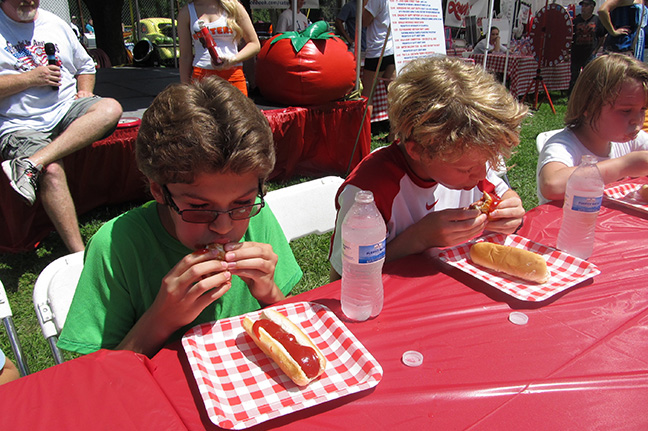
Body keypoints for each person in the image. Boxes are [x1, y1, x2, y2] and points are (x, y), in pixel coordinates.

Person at [58, 77, 303, 358]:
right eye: (199, 207)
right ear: (158, 190)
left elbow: (292, 334)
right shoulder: (116, 246)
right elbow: (102, 383)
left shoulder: (257, 217)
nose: (224, 226)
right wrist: (163, 317)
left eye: (242, 203)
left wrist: (269, 293)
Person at [328, 56, 528, 280]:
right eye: (467, 169)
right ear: (417, 150)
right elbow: (341, 279)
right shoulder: (369, 191)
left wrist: (510, 209)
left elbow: (503, 194)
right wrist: (419, 238)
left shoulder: (469, 164)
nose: (481, 174)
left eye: (485, 163)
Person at [0, 0, 123, 253]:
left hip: (66, 109)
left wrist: (85, 91)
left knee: (110, 108)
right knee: (52, 170)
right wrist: (29, 79)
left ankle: (31, 164)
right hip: (21, 123)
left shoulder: (55, 23)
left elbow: (85, 66)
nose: (28, 2)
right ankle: (79, 255)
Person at [537, 53, 648, 204]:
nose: (637, 120)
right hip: (568, 224)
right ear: (589, 106)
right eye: (626, 111)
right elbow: (551, 185)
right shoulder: (564, 145)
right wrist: (625, 165)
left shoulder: (635, 140)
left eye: (643, 109)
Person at [178, 0, 260, 95]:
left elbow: (254, 44)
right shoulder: (187, 12)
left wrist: (233, 59)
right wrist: (185, 89)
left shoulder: (234, 7)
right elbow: (185, 56)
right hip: (201, 77)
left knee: (237, 109)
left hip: (233, 75)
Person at [362, 0, 394, 119]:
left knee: (367, 95)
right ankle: (394, 134)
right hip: (392, 49)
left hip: (377, 50)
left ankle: (365, 133)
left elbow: (364, 21)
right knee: (393, 93)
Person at [569, 0, 605, 93]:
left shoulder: (597, 20)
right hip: (576, 53)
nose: (583, 8)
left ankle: (588, 96)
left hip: (590, 53)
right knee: (574, 77)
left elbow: (602, 37)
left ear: (592, 7)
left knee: (590, 77)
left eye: (586, 6)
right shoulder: (576, 21)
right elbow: (570, 37)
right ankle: (572, 96)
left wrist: (596, 50)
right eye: (582, 6)